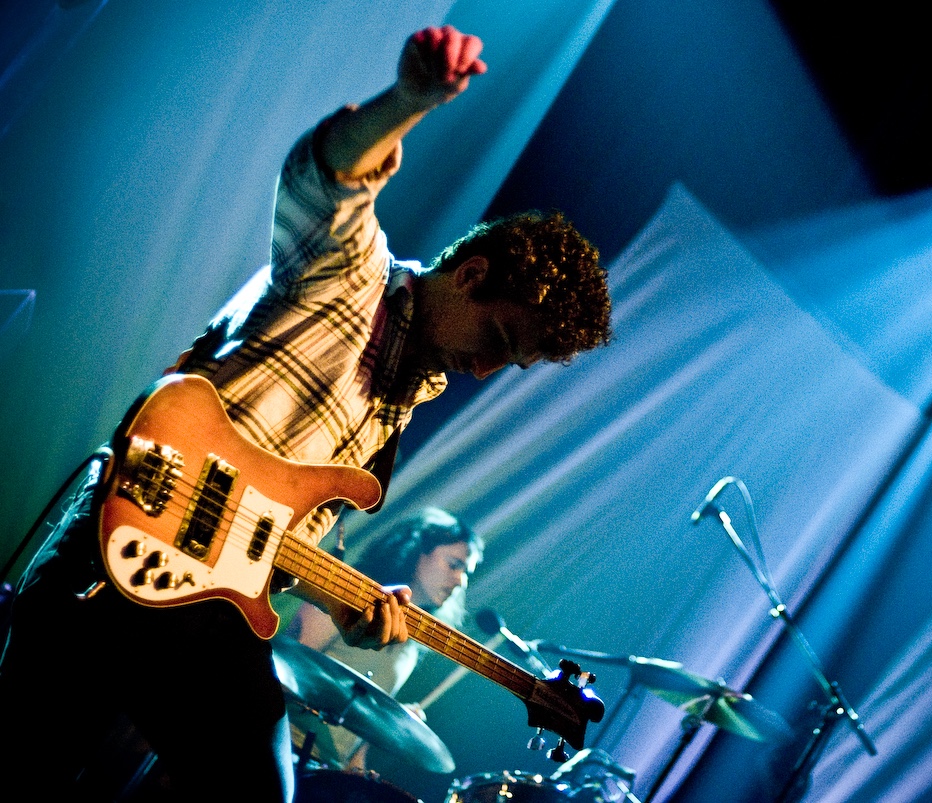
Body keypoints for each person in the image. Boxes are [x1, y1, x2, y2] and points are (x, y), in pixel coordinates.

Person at [0, 23, 610, 802]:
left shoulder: (398, 402)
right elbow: (328, 176)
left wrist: (348, 608)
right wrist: (410, 100)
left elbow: (267, 540)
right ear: (470, 275)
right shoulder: (350, 274)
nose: (485, 369)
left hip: (202, 608)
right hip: (117, 548)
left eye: (509, 363)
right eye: (496, 339)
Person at [283, 507, 483, 772]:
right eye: (454, 565)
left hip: (325, 769)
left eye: (466, 572)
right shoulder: (349, 596)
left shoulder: (412, 646)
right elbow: (283, 668)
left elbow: (360, 725)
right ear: (417, 550)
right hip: (283, 746)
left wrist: (388, 723)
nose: (461, 581)